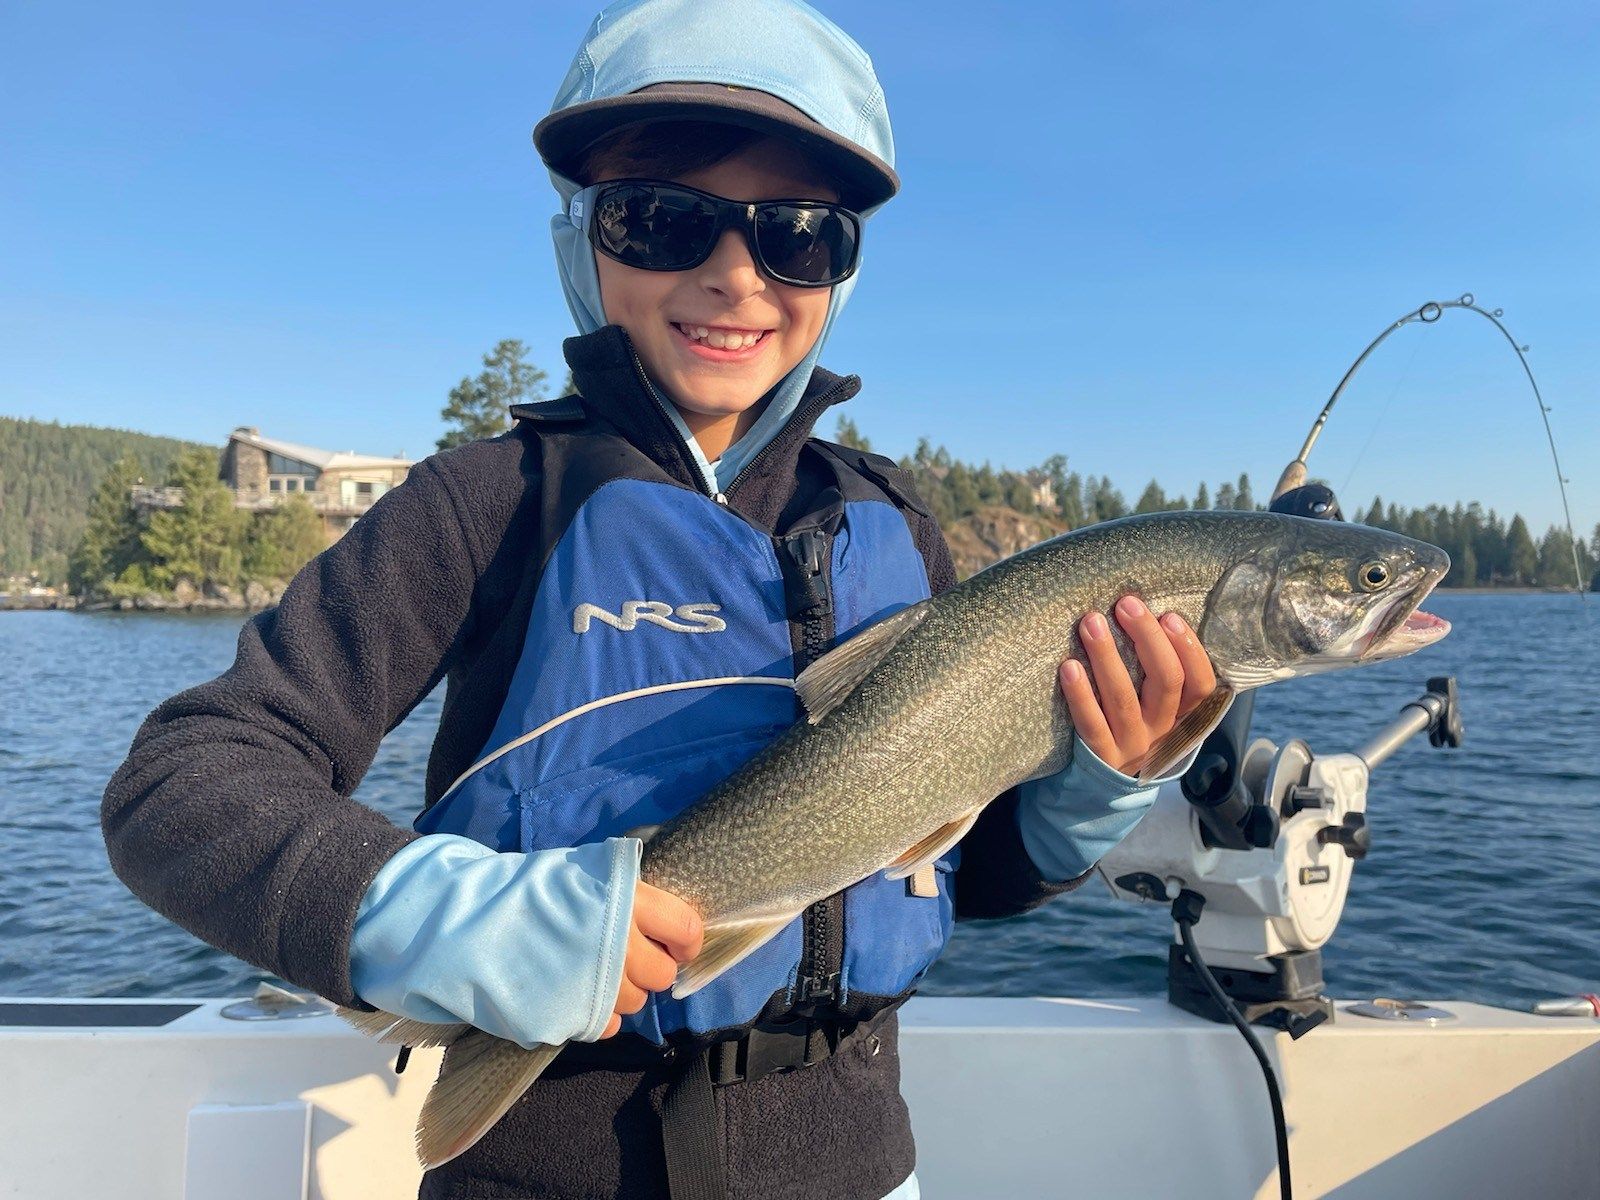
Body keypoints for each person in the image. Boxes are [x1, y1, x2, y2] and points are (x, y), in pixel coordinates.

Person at [101, 2, 1215, 1197]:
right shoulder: (490, 503)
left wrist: (1096, 785)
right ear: (581, 238)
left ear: (841, 268)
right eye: (661, 218)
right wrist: (443, 919)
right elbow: (182, 783)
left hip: (859, 1164)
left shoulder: (895, 528)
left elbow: (972, 874)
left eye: (799, 234)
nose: (736, 275)